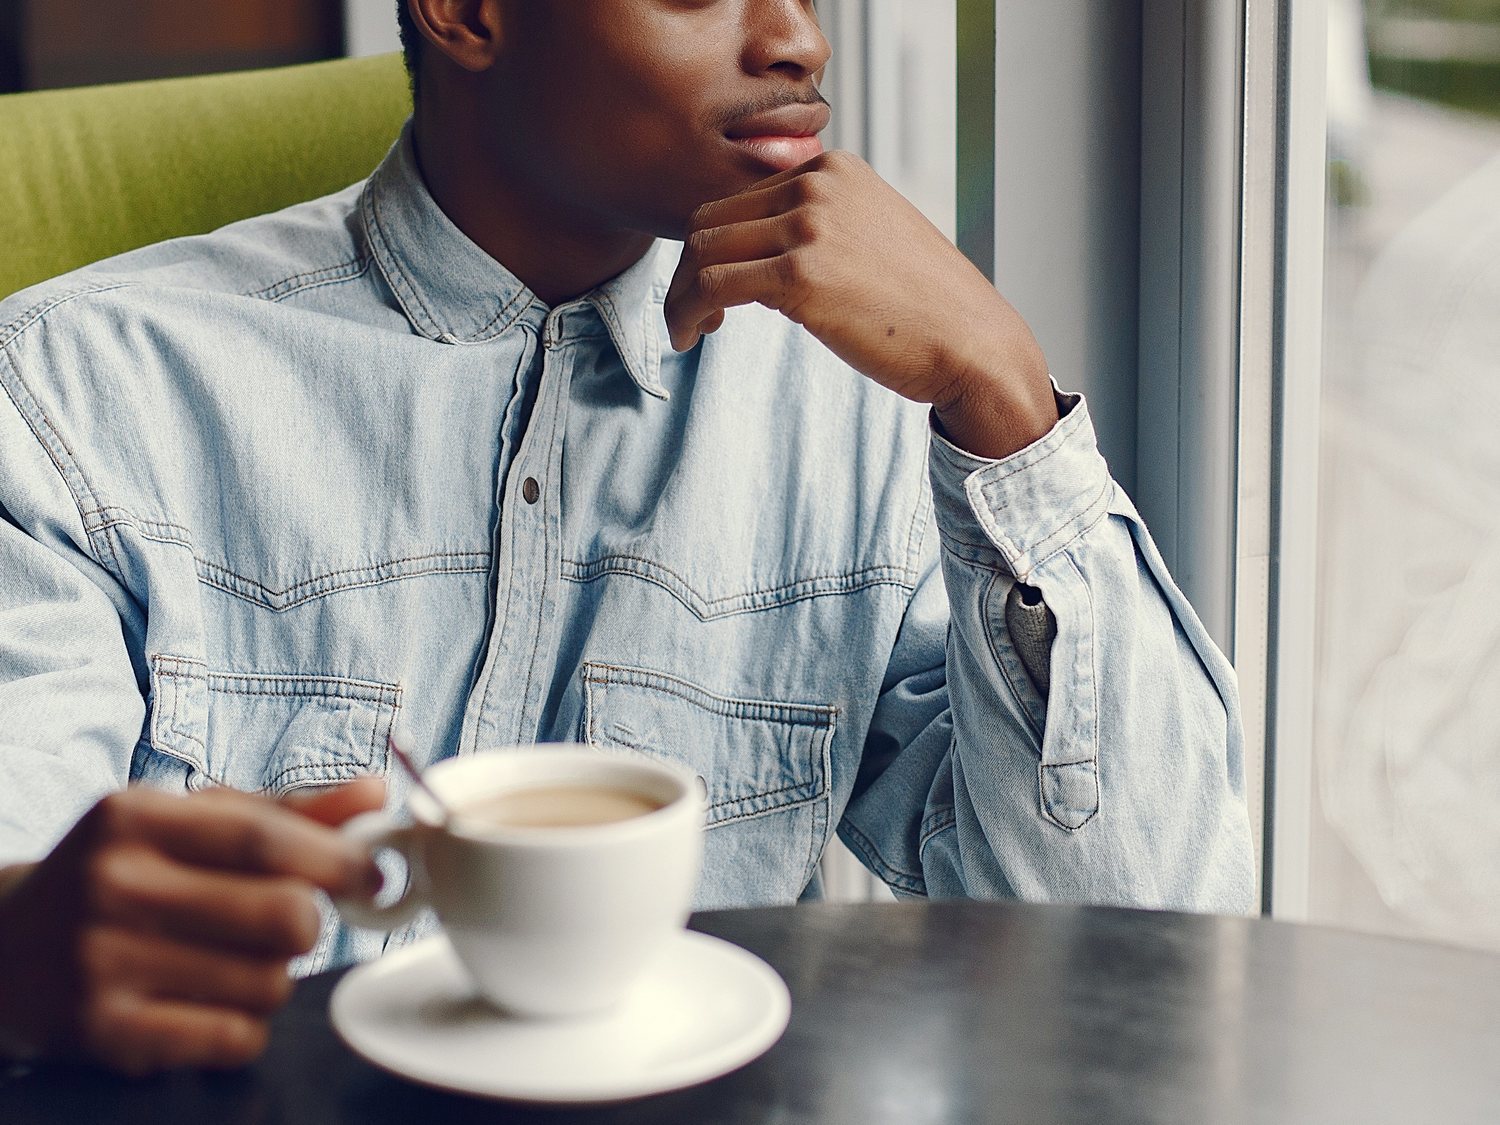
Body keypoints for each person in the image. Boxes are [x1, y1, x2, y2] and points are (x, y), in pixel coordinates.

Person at [0, 0, 1255, 1075]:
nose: (797, 38)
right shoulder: (76, 399)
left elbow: (1144, 947)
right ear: (470, 11)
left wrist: (1003, 394)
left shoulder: (871, 416)